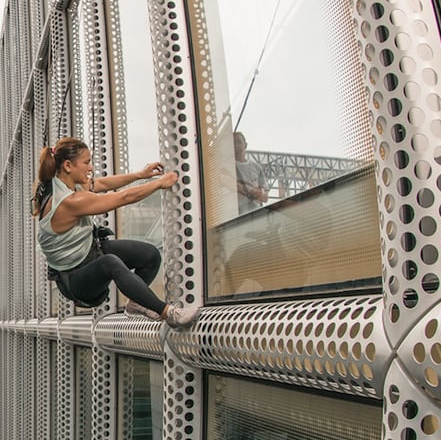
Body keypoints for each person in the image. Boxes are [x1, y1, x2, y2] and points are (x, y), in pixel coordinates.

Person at [34, 136, 200, 328]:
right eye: (87, 163)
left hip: (89, 253)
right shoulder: (70, 202)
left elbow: (102, 184)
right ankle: (169, 314)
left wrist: (141, 175)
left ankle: (137, 302)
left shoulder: (61, 183)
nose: (91, 168)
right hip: (76, 282)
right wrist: (159, 183)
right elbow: (124, 197)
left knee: (150, 255)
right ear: (68, 166)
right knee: (110, 263)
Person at [233, 131, 269, 213]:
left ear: (245, 145)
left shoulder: (257, 168)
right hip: (235, 216)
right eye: (233, 143)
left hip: (256, 215)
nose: (236, 146)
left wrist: (259, 194)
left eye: (239, 142)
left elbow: (265, 197)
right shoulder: (227, 167)